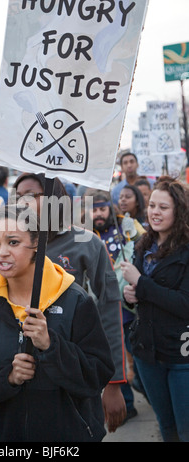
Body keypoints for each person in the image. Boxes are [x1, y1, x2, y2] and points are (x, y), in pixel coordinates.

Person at [0, 172, 127, 432]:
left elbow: (109, 310)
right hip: (12, 410)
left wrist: (115, 381)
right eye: (17, 195)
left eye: (31, 195)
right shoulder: (4, 245)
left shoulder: (87, 244)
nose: (22, 201)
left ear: (54, 199)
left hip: (70, 393)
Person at [121, 176, 189, 442]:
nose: (155, 212)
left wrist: (141, 283)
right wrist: (131, 296)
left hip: (181, 355)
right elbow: (140, 296)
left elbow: (184, 304)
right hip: (147, 353)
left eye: (163, 207)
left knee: (185, 431)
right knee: (166, 428)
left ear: (179, 211)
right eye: (152, 206)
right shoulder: (144, 245)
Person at [88, 190, 145, 423]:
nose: (99, 214)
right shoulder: (85, 234)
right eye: (94, 209)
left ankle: (148, 390)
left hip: (129, 310)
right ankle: (127, 405)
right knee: (114, 359)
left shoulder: (129, 227)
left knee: (140, 364)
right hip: (103, 311)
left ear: (111, 208)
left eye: (102, 208)